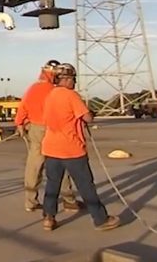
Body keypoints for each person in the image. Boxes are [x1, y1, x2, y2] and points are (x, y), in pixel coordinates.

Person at [40, 63, 120, 231]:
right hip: (71, 148)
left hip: (51, 148)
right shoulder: (71, 96)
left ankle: (49, 217)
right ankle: (100, 219)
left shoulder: (50, 96)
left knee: (52, 184)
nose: (74, 83)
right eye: (73, 79)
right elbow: (87, 118)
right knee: (85, 185)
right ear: (67, 79)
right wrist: (90, 113)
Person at [15, 60, 82, 213]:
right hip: (53, 128)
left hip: (35, 129)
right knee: (60, 164)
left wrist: (19, 124)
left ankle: (30, 201)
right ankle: (69, 200)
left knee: (34, 166)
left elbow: (23, 106)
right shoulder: (57, 91)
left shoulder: (33, 88)